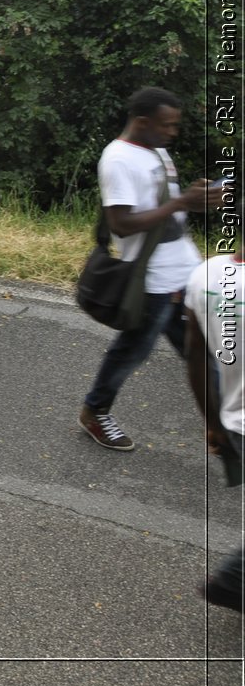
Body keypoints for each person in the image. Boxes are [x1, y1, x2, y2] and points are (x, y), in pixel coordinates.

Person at [79, 86, 219, 449]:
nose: (173, 133)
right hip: (151, 282)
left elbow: (167, 212)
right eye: (166, 126)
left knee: (202, 353)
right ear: (142, 122)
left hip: (184, 273)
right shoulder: (118, 159)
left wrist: (197, 202)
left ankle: (225, 428)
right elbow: (121, 223)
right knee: (133, 350)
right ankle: (95, 412)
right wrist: (179, 204)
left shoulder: (155, 151)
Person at [184, 239, 244, 612]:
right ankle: (234, 580)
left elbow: (195, 355)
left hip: (233, 417)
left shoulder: (206, 274)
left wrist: (213, 423)